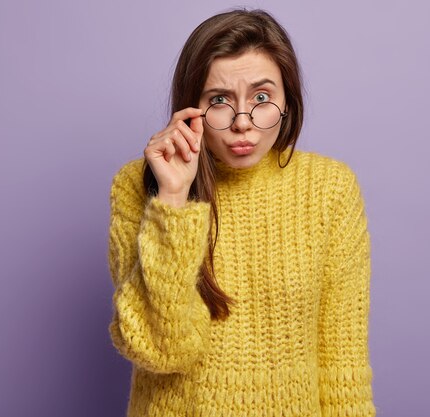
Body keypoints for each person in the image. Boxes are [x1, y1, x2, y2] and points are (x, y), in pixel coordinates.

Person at [107, 8, 376, 417]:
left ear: (288, 100)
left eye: (262, 98)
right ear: (190, 108)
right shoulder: (140, 185)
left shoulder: (330, 189)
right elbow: (160, 350)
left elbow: (344, 364)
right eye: (219, 100)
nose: (242, 123)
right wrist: (173, 199)